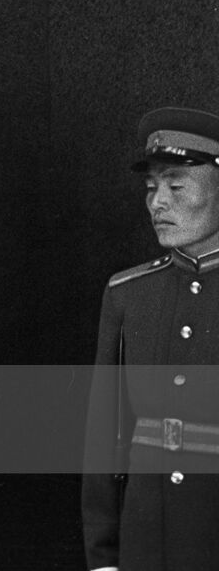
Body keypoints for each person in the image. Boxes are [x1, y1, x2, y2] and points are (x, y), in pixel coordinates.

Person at [83, 107, 219, 571]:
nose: (158, 202)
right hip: (148, 545)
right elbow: (105, 437)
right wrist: (104, 560)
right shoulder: (128, 295)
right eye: (151, 188)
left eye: (176, 185)